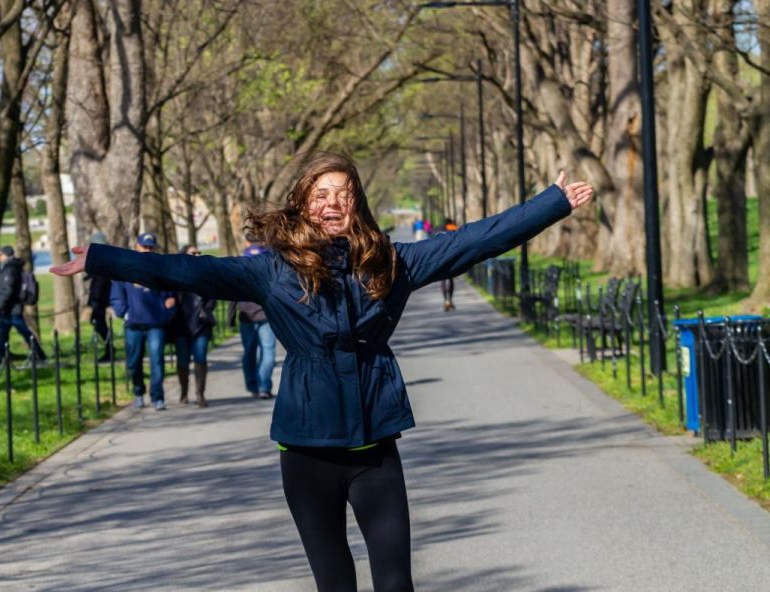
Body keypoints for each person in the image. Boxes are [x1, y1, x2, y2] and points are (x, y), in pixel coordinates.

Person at [50, 151, 593, 591]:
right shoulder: (272, 272)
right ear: (304, 204)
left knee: (396, 583)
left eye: (344, 193)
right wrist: (100, 259)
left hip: (375, 448)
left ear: (356, 203)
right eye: (322, 193)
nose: (334, 202)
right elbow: (188, 271)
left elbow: (473, 241)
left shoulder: (391, 262)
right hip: (307, 454)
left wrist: (551, 204)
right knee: (335, 583)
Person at [109, 233, 177, 411]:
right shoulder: (124, 269)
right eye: (144, 247)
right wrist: (124, 312)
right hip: (133, 325)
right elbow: (116, 295)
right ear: (136, 246)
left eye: (151, 247)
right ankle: (138, 392)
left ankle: (158, 397)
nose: (147, 250)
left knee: (157, 361)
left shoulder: (161, 268)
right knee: (133, 362)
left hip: (156, 324)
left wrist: (168, 308)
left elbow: (171, 292)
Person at [168, 244, 216, 406]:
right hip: (181, 325)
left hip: (201, 324)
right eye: (193, 253)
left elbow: (213, 297)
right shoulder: (175, 276)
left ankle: (200, 394)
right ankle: (183, 392)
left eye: (199, 253)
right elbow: (169, 295)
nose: (197, 255)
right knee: (182, 361)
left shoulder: (206, 276)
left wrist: (207, 310)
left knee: (200, 358)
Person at [228, 242, 276, 399]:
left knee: (250, 352)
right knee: (266, 352)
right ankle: (263, 386)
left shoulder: (242, 264)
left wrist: (231, 318)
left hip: (249, 315)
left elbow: (232, 293)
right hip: (263, 315)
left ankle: (254, 386)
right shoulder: (269, 261)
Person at [0, 245, 47, 367]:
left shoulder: (10, 269)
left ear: (6, 255)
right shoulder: (11, 268)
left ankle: (40, 356)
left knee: (24, 333)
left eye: (0, 255)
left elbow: (7, 290)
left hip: (11, 309)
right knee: (3, 335)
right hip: (9, 309)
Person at [85, 233, 113, 361]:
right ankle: (109, 348)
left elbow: (100, 284)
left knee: (99, 323)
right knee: (97, 323)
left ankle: (110, 349)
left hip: (99, 299)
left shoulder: (103, 261)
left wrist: (94, 300)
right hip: (98, 299)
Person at [440, 217, 459, 311]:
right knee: (450, 279)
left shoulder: (440, 230)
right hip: (452, 256)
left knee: (443, 279)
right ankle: (450, 300)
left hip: (441, 257)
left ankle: (445, 301)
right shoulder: (454, 228)